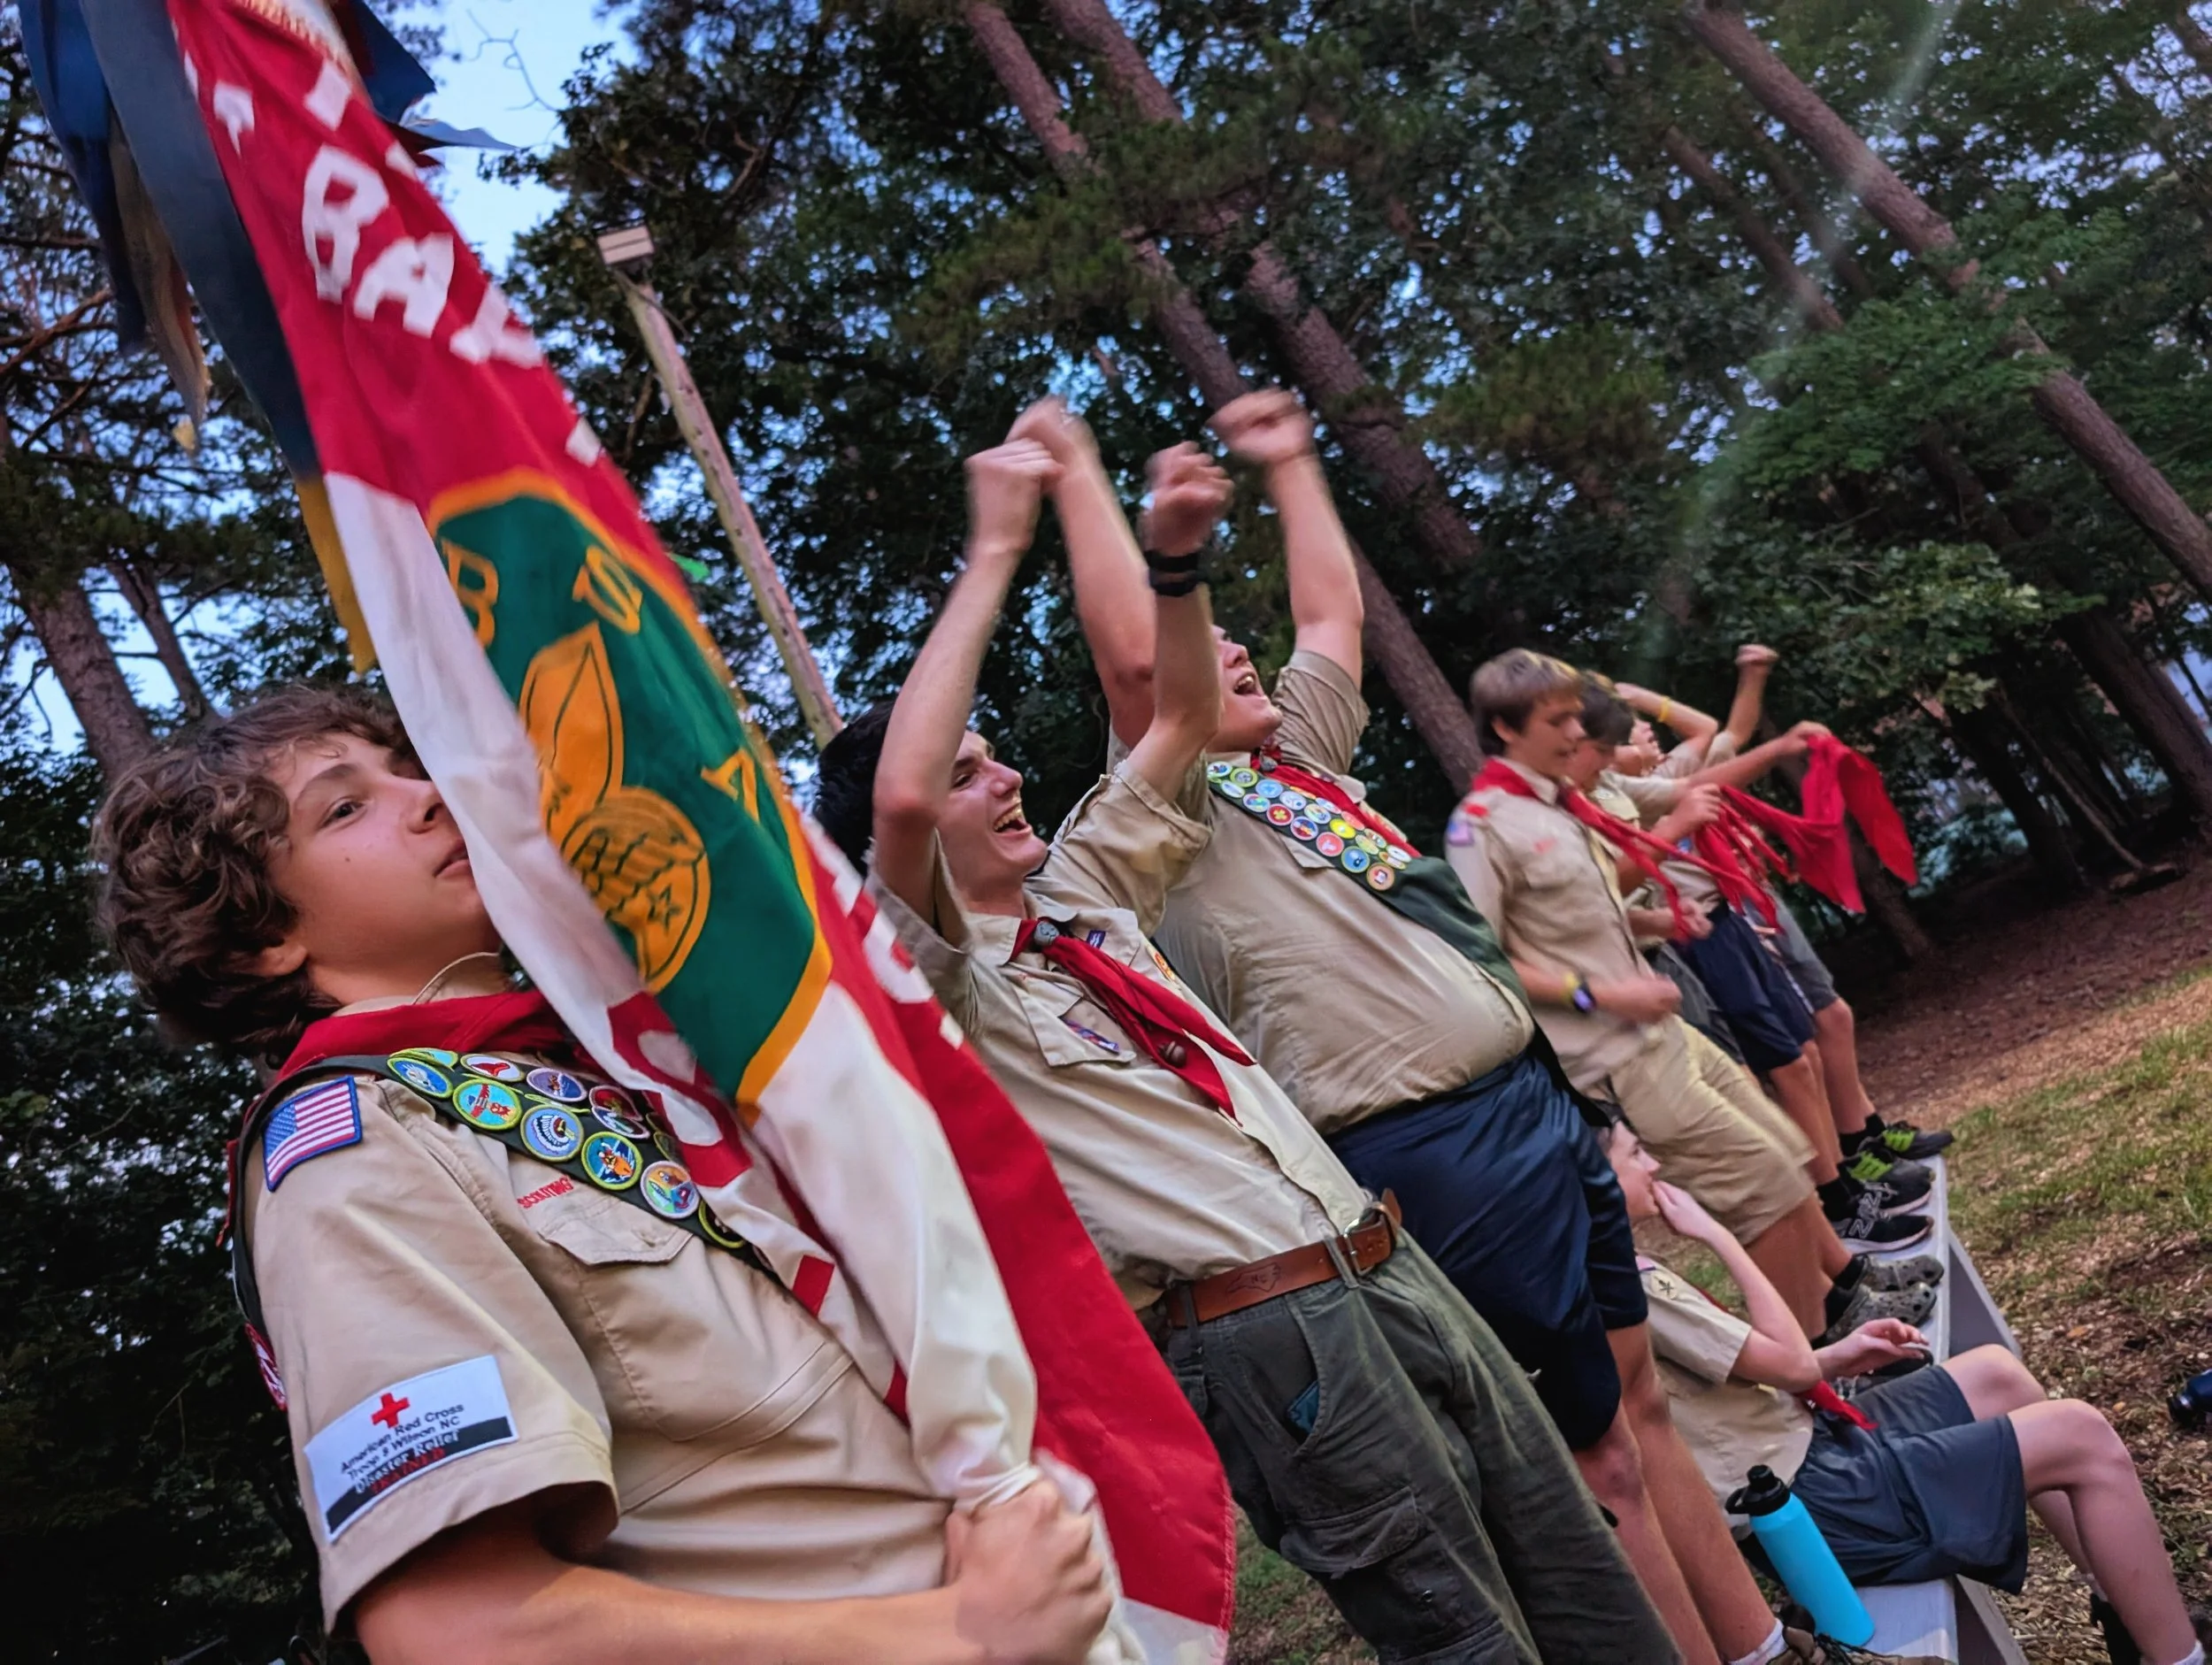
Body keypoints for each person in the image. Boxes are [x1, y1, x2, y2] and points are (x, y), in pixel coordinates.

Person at [823, 416, 1675, 1663]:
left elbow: (1176, 719)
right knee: (1470, 1637)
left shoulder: (1086, 893)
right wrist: (995, 548)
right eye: (971, 773)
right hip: (1266, 1333)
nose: (1004, 782)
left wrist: (1177, 563)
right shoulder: (941, 978)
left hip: (1384, 1259)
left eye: (998, 760)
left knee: (1582, 1578)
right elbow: (897, 795)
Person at [92, 687, 1112, 1664]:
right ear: (268, 935)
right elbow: (455, 1627)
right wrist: (955, 1636)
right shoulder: (357, 1154)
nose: (433, 794)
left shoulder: (598, 1056)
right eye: (348, 806)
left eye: (407, 768)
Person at [1036, 388, 1774, 1665]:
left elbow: (1331, 610)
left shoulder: (1300, 760)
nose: (1244, 659)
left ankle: (1763, 1643)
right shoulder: (1181, 813)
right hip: (1427, 1154)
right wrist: (1096, 489)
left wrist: (1293, 459)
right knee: (1590, 1456)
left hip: (1534, 1106)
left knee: (1641, 1408)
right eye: (1216, 651)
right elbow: (1144, 669)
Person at [1453, 651, 1935, 1349]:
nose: (1577, 733)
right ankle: (1817, 1356)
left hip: (1662, 1031)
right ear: (1504, 726)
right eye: (1557, 721)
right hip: (1613, 1050)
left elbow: (1578, 909)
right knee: (1760, 1183)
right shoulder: (1483, 824)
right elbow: (1484, 954)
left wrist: (1649, 923)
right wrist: (1600, 991)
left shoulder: (1564, 802)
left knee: (1785, 1147)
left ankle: (1841, 1297)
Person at [1604, 1117, 2212, 1665]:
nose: (1654, 1165)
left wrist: (1834, 1357)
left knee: (1999, 1374)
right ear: (1595, 1178)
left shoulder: (1619, 1272)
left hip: (1810, 1445)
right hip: (1812, 1503)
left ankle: (2127, 1610)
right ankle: (2180, 1660)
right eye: (1635, 1154)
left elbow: (1732, 1380)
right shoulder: (1631, 1286)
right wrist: (1717, 1235)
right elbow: (1784, 1358)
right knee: (2082, 1434)